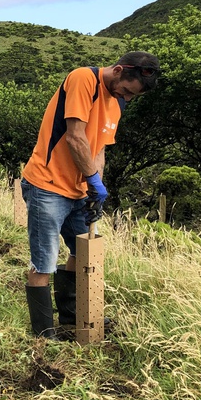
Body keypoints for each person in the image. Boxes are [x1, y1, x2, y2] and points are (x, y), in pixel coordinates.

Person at [21, 51, 160, 339]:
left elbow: (98, 148)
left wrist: (96, 187)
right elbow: (75, 136)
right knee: (44, 260)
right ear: (119, 70)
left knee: (81, 250)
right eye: (126, 90)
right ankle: (44, 334)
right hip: (47, 185)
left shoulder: (117, 103)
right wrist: (92, 179)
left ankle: (72, 315)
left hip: (79, 191)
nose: (127, 97)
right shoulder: (83, 78)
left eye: (133, 96)